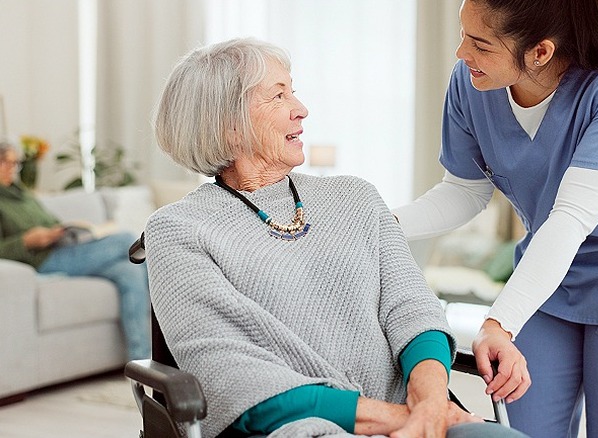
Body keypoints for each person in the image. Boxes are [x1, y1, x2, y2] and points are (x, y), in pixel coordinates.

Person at [144, 37, 527, 438]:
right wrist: (403, 420)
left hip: (418, 409)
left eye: (293, 91)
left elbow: (413, 308)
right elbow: (228, 371)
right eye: (278, 96)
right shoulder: (178, 230)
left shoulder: (354, 196)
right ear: (230, 125)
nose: (301, 109)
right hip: (297, 427)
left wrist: (431, 404)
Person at [392, 1, 598, 437]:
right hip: (548, 278)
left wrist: (498, 323)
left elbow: (570, 218)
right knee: (525, 428)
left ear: (540, 52)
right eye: (463, 35)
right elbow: (463, 192)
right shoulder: (473, 82)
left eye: (479, 44)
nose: (461, 54)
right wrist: (373, 222)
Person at [0, 141, 151, 361]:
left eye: (15, 163)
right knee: (128, 240)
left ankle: (141, 361)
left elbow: (51, 221)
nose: (11, 168)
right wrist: (26, 241)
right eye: (6, 162)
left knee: (129, 271)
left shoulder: (22, 195)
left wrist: (59, 231)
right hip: (44, 260)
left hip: (63, 247)